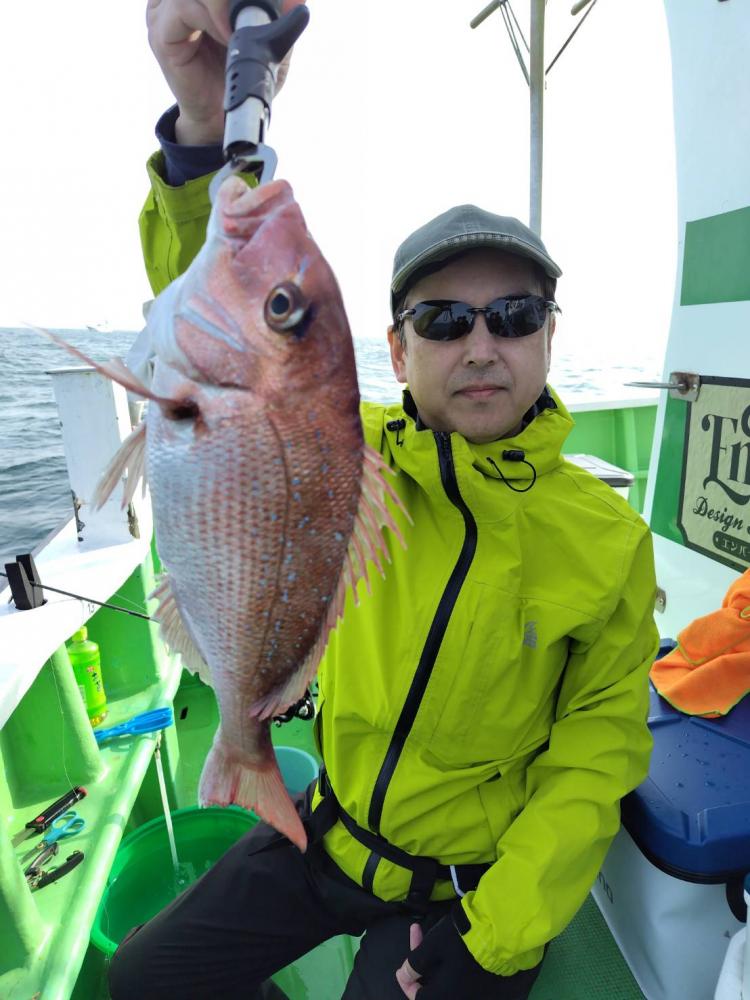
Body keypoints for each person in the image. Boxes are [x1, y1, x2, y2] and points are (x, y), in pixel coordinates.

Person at [109, 2, 660, 997]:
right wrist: (205, 131)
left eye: (514, 314)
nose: (481, 344)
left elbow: (598, 751)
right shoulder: (334, 445)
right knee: (145, 978)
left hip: (467, 888)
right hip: (328, 831)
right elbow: (220, 322)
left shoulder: (610, 539)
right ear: (399, 351)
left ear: (549, 336)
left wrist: (495, 934)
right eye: (444, 319)